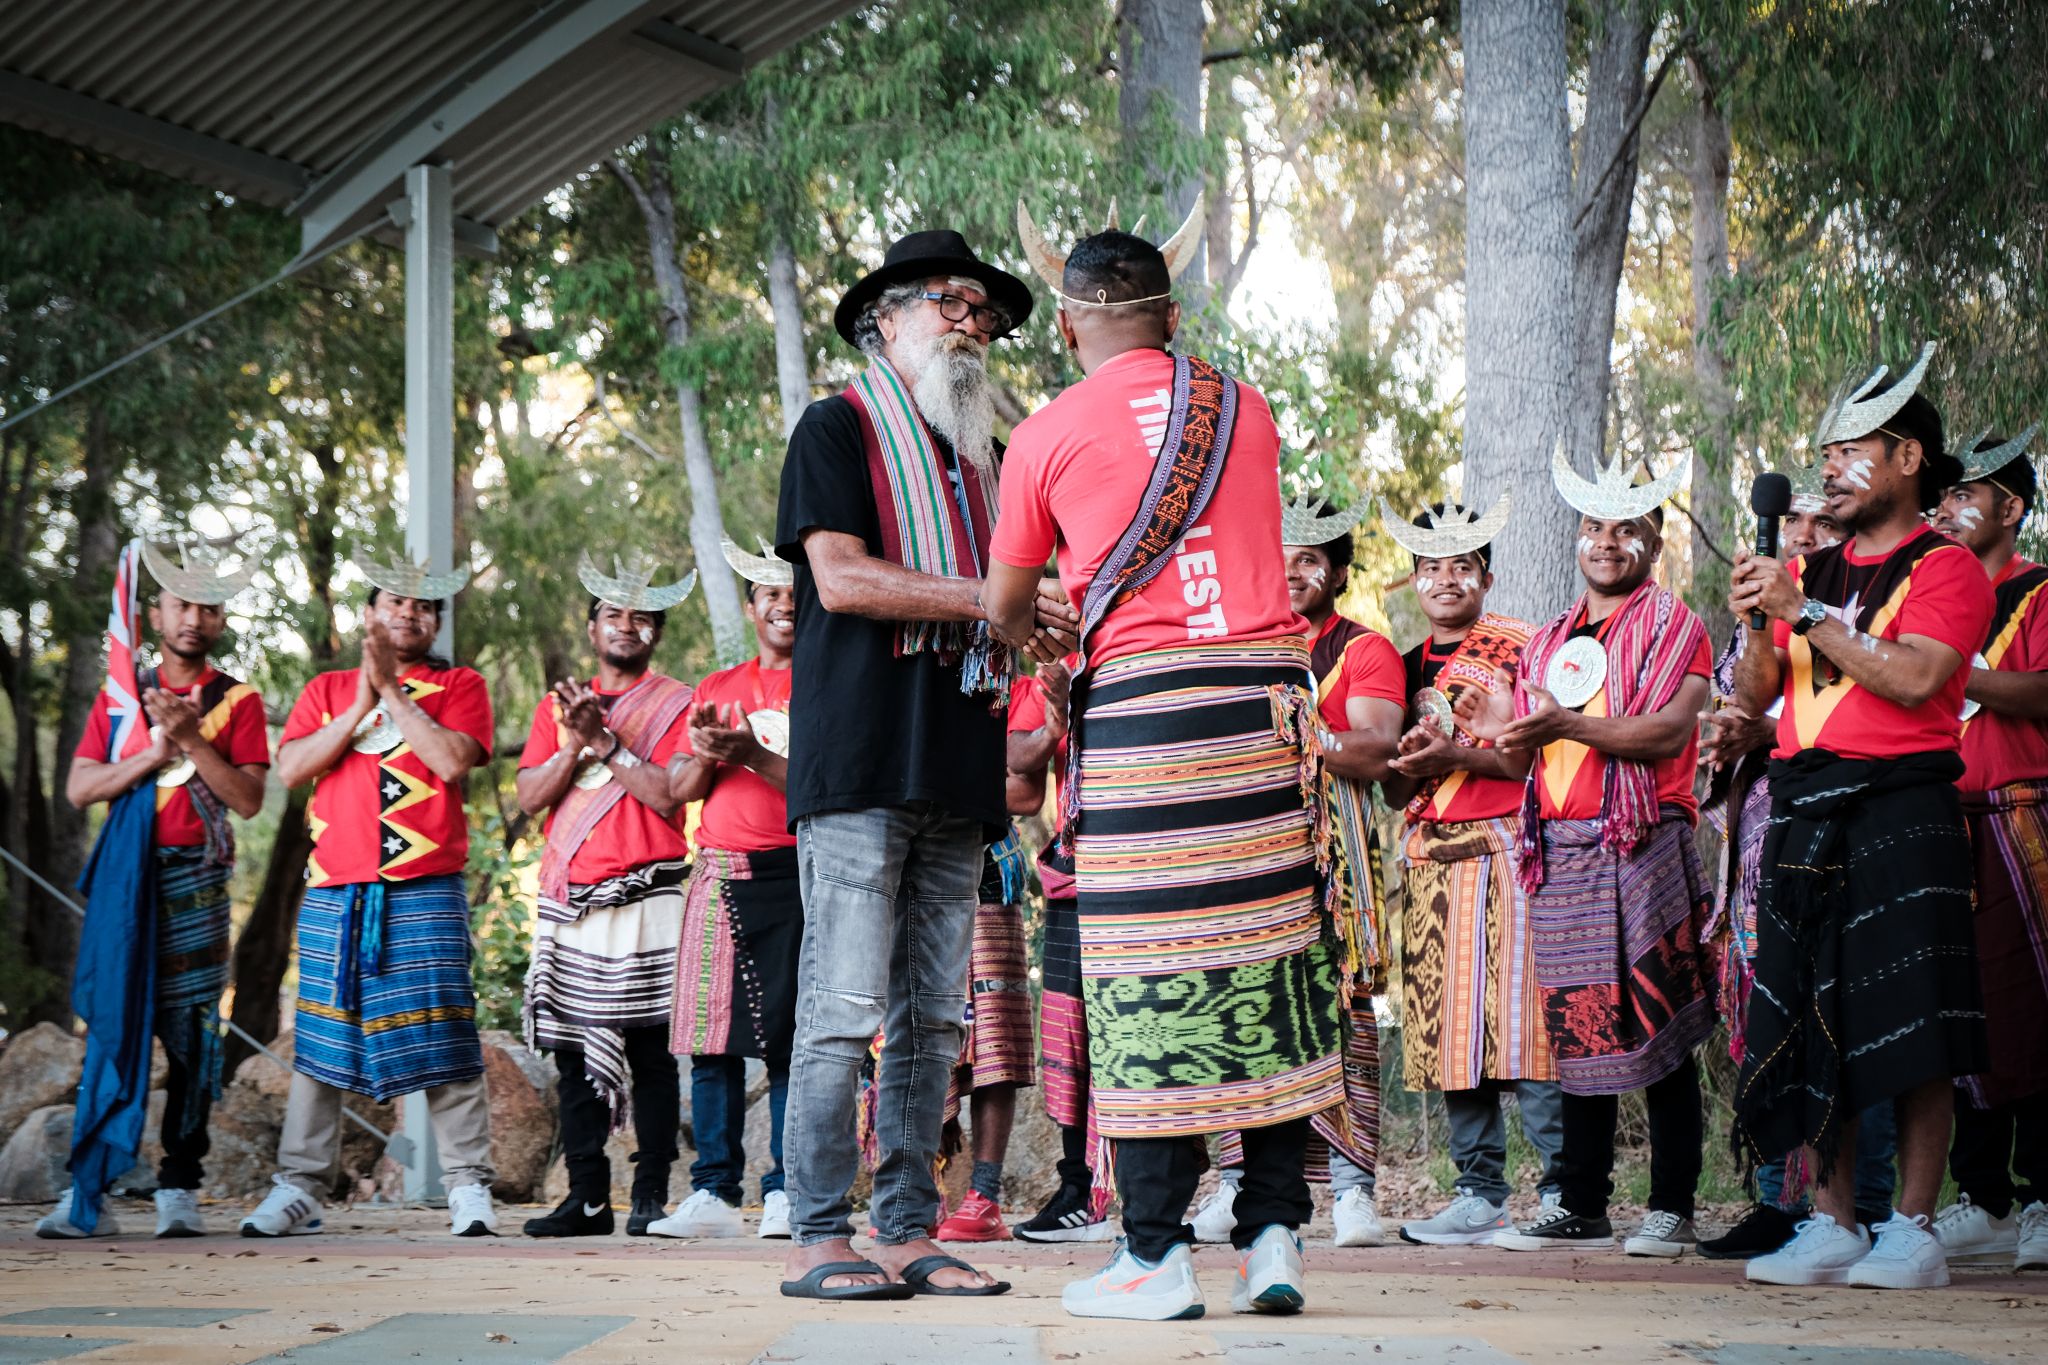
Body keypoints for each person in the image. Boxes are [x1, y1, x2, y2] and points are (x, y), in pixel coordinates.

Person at [986, 203, 1345, 1321]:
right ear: (1172, 316)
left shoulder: (1043, 434)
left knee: (1145, 980)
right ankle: (1274, 1236)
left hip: (1146, 720)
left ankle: (1154, 1253)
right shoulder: (1247, 406)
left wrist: (1046, 633)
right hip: (1265, 715)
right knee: (1272, 966)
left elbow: (1004, 604)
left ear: (1066, 325)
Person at [773, 224, 1073, 1301]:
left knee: (936, 1024)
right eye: (949, 301)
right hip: (858, 765)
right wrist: (998, 600)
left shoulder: (987, 464)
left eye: (982, 312)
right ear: (883, 320)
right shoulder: (836, 427)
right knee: (842, 1008)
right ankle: (818, 1230)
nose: (971, 324)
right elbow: (843, 581)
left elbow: (1026, 603)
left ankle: (905, 1227)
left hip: (957, 769)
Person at [1729, 343, 1992, 1290]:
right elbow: (1758, 692)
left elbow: (1917, 677)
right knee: (1813, 1016)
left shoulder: (1948, 567)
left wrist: (1803, 612)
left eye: (1853, 452)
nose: (1831, 470)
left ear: (1908, 458)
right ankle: (1833, 1220)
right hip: (1806, 807)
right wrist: (1758, 619)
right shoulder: (1809, 567)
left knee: (1915, 1024)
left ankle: (1913, 1228)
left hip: (1900, 806)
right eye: (1826, 454)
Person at [1460, 445, 1716, 1259]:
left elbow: (1668, 732)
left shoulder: (1675, 626)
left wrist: (1564, 723)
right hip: (1564, 850)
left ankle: (1672, 1205)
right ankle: (1583, 1202)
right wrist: (1487, 726)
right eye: (1594, 526)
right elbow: (1521, 761)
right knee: (1582, 1027)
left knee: (1658, 1021)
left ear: (1655, 541)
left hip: (1642, 839)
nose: (1607, 541)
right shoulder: (1548, 642)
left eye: (1626, 527)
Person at [240, 553, 498, 1239]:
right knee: (322, 1032)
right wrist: (361, 699)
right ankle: (300, 1187)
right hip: (337, 889)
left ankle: (468, 1185)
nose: (409, 613)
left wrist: (393, 693)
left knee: (444, 1028)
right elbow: (292, 768)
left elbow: (450, 761)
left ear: (436, 620)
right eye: (395, 601)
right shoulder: (326, 688)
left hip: (426, 887)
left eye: (424, 605)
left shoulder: (460, 684)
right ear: (370, 613)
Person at [39, 540, 268, 1240]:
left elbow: (249, 800)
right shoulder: (121, 693)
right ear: (157, 613)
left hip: (196, 880)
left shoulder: (237, 700)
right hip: (125, 881)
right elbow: (80, 787)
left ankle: (179, 1182)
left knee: (194, 1034)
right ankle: (91, 1188)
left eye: (208, 608)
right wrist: (153, 752)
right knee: (113, 1025)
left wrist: (192, 740)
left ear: (221, 620)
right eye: (181, 605)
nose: (194, 618)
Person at [1695, 484, 1900, 1261]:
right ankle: (1778, 1201)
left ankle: (1864, 1200)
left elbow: (1878, 698)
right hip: (1764, 838)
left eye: (1822, 519)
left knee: (1851, 1010)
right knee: (1773, 1011)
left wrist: (1765, 726)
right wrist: (1729, 730)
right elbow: (1739, 700)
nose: (1804, 532)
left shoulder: (1868, 605)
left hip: (1845, 823)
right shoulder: (1765, 610)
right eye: (1793, 521)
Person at [1190, 497, 1393, 1251]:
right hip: (1247, 852)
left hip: (1334, 857)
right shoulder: (1236, 643)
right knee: (1244, 1006)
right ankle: (1237, 1183)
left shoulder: (1362, 649)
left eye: (1311, 558)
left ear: (1338, 573)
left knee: (1343, 1009)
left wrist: (1300, 734)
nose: (1293, 571)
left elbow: (1375, 751)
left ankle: (1352, 1189)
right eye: (1281, 557)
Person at [1376, 496, 1569, 1247]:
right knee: (1449, 1033)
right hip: (1432, 859)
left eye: (1463, 566)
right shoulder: (1401, 667)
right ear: (1415, 581)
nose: (1446, 579)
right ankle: (1479, 1193)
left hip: (1505, 848)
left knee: (1529, 1028)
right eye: (1431, 567)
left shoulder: (1517, 648)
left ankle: (1560, 1188)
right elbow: (1395, 791)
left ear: (1485, 580)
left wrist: (1454, 753)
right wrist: (1407, 763)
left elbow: (1522, 761)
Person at [515, 552, 697, 1239]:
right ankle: (587, 1198)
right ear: (592, 628)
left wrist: (605, 741)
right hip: (572, 900)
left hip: (650, 895)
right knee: (571, 1053)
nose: (626, 624)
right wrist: (573, 743)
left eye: (641, 616)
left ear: (656, 633)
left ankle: (650, 1195)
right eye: (613, 614)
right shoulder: (554, 707)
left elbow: (669, 795)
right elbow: (530, 797)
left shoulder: (677, 703)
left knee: (651, 1053)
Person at [1925, 425, 2048, 1273]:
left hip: (2019, 813)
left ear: (2012, 508)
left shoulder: (2038, 591)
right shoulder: (1932, 592)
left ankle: (2042, 1195)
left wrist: (1941, 668)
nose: (1947, 508)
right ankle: (1983, 1196)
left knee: (2029, 1004)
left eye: (1965, 494)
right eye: (1944, 494)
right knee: (1958, 1007)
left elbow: (2041, 690)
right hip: (1942, 816)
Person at [659, 538, 802, 1240]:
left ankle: (786, 1190)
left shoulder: (827, 682)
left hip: (799, 872)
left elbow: (825, 784)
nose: (783, 604)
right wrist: (710, 753)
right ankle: (713, 1192)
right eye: (770, 593)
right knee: (710, 1038)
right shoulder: (716, 686)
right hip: (719, 867)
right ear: (751, 608)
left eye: (794, 593)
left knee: (789, 1039)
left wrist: (752, 753)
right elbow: (678, 789)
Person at [1003, 658, 1117, 1243]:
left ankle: (1168, 1198)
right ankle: (1080, 1192)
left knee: (1153, 1029)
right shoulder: (1054, 673)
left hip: (1155, 868)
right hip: (1077, 873)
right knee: (1073, 1038)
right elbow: (1019, 765)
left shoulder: (1151, 651)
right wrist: (1054, 721)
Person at [928, 830, 1037, 1241]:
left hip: (989, 869)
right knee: (918, 1029)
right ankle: (921, 1193)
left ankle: (984, 1197)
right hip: (914, 863)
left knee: (994, 1032)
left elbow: (1026, 798)